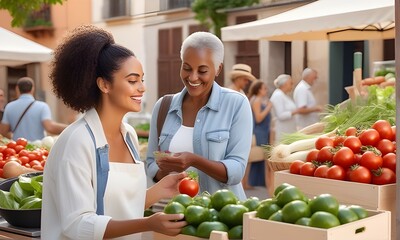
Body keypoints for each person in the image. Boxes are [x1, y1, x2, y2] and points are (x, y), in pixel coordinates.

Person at [41, 25, 187, 240]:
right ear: (104, 84)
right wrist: (147, 223)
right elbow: (77, 224)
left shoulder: (129, 135)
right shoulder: (77, 142)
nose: (142, 88)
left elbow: (114, 206)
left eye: (142, 80)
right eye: (132, 80)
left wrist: (159, 191)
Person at [145, 31, 253, 201]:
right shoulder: (163, 106)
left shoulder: (236, 104)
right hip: (170, 212)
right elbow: (151, 164)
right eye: (186, 68)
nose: (193, 77)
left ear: (218, 69)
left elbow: (237, 170)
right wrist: (167, 168)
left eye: (202, 70)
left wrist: (194, 160)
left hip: (221, 214)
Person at [0, 77, 67, 141]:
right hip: (37, 149)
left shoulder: (9, 106)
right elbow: (50, 127)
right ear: (33, 88)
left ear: (17, 89)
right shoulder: (42, 106)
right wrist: (68, 127)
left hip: (18, 149)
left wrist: (14, 137)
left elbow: (3, 131)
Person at [243, 80, 273, 189]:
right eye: (264, 88)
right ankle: (246, 182)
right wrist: (269, 107)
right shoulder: (257, 100)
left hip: (261, 131)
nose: (266, 90)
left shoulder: (255, 99)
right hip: (259, 132)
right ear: (259, 90)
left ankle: (247, 182)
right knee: (252, 158)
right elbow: (258, 118)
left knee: (252, 158)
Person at [270, 74, 300, 144]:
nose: (292, 86)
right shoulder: (278, 95)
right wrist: (295, 111)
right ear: (285, 84)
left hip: (288, 130)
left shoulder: (284, 95)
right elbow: (281, 115)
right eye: (291, 83)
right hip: (282, 131)